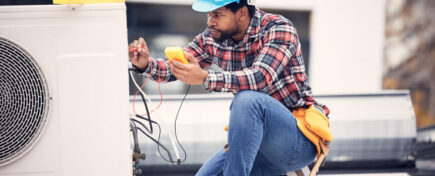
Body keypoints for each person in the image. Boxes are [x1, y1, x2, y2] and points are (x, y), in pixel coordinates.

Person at [128, 0, 330, 175]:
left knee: (248, 100)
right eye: (209, 15)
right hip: (255, 144)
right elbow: (174, 67)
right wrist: (146, 64)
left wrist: (205, 78)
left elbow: (260, 77)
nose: (210, 22)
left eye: (217, 15)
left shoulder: (278, 29)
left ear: (242, 12)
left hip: (297, 141)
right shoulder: (212, 38)